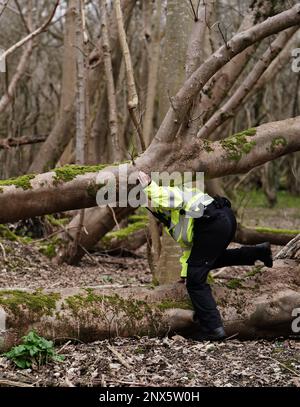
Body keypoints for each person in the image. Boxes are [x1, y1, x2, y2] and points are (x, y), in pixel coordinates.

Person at [138, 171, 273, 341]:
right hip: (221, 221)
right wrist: (185, 273)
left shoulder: (172, 194)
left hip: (214, 222)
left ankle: (213, 329)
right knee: (207, 262)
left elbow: (162, 196)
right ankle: (259, 252)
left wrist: (148, 186)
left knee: (196, 281)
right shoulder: (173, 220)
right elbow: (190, 249)